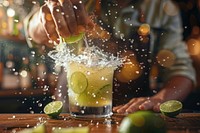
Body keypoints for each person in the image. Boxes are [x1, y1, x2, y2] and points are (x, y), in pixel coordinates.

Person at [24, 0, 196, 113]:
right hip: (69, 115)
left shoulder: (161, 7)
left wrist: (160, 100)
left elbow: (182, 71)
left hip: (133, 118)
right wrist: (43, 20)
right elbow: (33, 29)